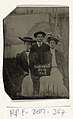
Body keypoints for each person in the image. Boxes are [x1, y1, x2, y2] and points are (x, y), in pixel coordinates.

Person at [29, 31, 51, 96]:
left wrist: (45, 66)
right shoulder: (33, 47)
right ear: (36, 38)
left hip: (44, 67)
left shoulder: (46, 46)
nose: (40, 38)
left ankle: (44, 94)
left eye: (41, 37)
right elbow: (31, 58)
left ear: (43, 38)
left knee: (44, 80)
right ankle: (36, 93)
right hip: (35, 67)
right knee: (35, 80)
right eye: (38, 37)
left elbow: (48, 58)